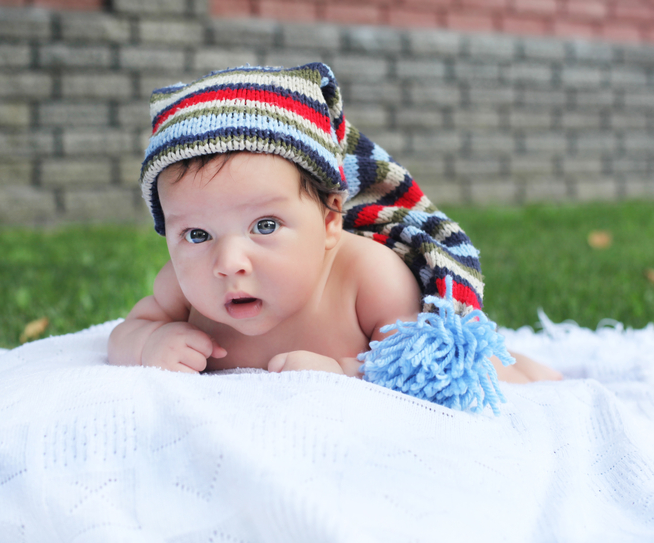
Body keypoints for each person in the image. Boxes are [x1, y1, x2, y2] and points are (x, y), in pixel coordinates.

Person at [107, 63, 561, 386]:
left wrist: (344, 371)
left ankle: (538, 371)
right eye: (197, 235)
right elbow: (122, 335)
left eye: (264, 226)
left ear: (329, 219)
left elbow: (417, 366)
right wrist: (149, 343)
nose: (227, 262)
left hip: (466, 370)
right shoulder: (183, 289)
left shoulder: (368, 278)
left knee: (498, 374)